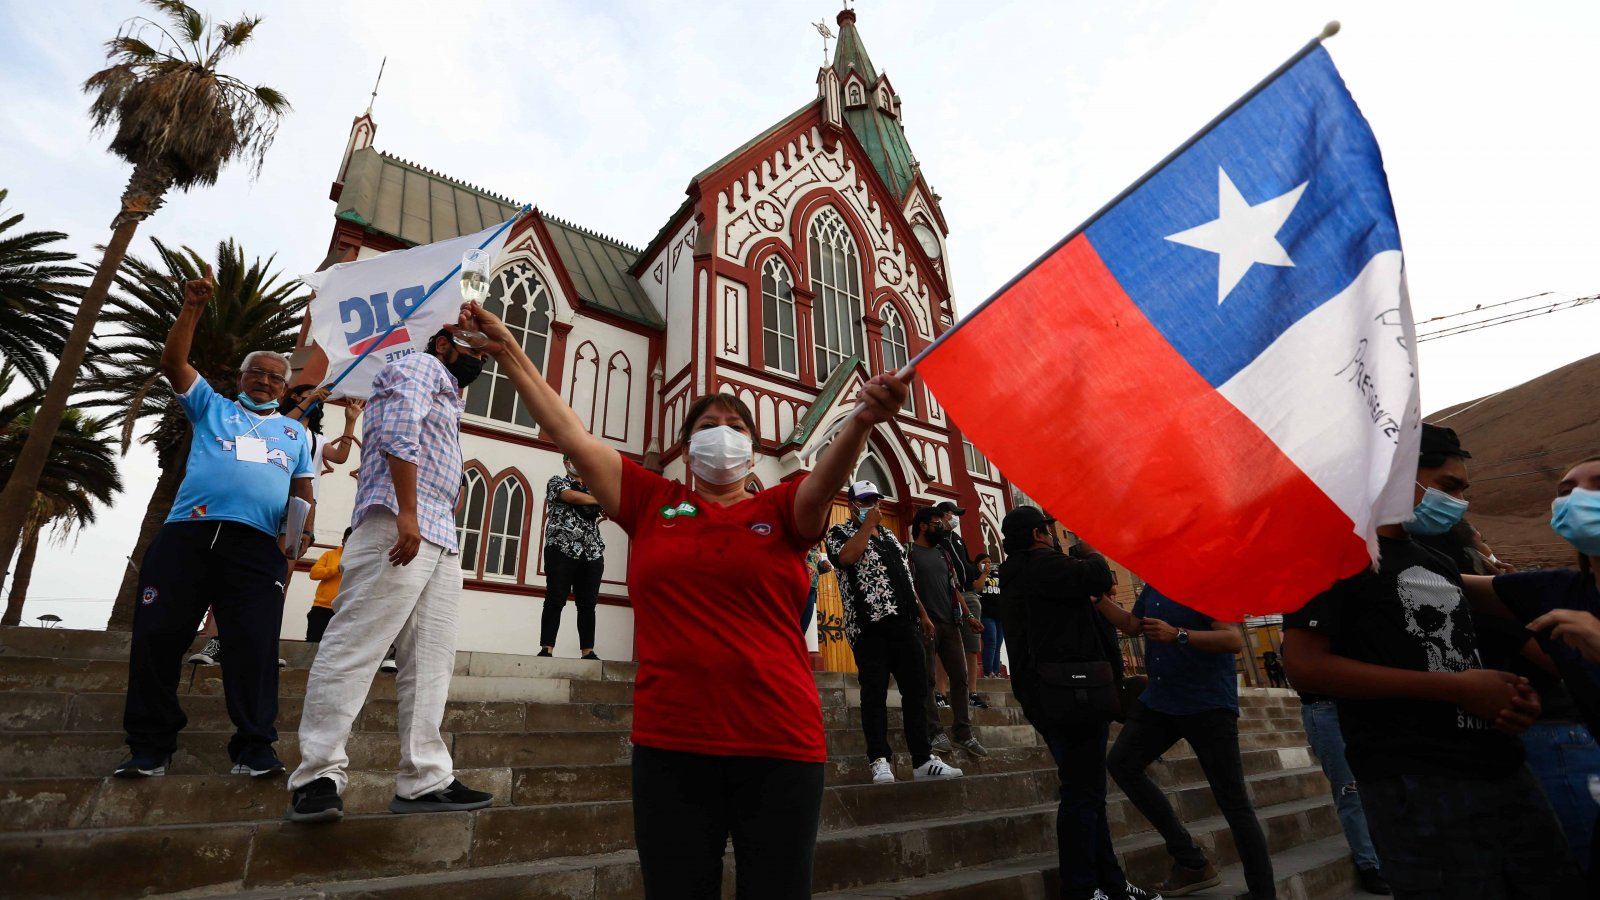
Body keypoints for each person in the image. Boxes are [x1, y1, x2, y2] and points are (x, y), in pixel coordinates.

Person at [460, 299, 907, 898]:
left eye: (736, 426)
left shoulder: (783, 506)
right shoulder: (649, 501)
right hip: (671, 748)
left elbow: (825, 480)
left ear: (753, 449)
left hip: (780, 746)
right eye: (705, 426)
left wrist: (861, 421)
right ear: (686, 445)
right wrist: (511, 351)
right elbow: (569, 432)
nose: (721, 434)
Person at [1282, 424, 1583, 897]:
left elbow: (1468, 650)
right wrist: (1457, 689)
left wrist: (1511, 699)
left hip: (1500, 766)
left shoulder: (1434, 560)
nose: (1459, 501)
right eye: (1448, 487)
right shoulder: (1333, 552)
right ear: (1400, 474)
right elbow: (1305, 666)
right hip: (1416, 779)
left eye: (1463, 489)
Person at [286, 324, 494, 823]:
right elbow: (398, 430)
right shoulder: (421, 366)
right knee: (356, 644)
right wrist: (408, 510)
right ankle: (317, 774)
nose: (478, 359)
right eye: (471, 348)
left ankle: (425, 777)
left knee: (431, 660)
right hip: (401, 522)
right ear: (443, 345)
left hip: (438, 533)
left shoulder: (449, 396)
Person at [115, 271, 315, 780]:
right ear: (241, 378)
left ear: (285, 385)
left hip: (255, 550)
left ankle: (254, 749)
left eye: (275, 375)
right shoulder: (212, 408)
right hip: (189, 537)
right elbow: (172, 362)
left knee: (253, 648)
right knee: (159, 637)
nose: (265, 379)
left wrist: (301, 532)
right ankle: (150, 748)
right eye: (257, 372)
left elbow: (302, 491)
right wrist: (193, 310)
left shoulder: (295, 433)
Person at [999, 506, 1161, 900]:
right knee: (1082, 794)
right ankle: (1081, 887)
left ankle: (1110, 882)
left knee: (1086, 790)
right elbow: (1100, 577)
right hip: (1073, 694)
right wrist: (1087, 548)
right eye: (1052, 531)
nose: (1058, 537)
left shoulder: (1016, 571)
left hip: (1047, 693)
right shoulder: (1045, 565)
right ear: (1040, 534)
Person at [1459, 455, 1600, 880]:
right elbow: (1436, 580)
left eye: (1597, 483)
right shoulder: (1556, 591)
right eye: (1565, 490)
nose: (1577, 496)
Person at [1102, 585, 1277, 899]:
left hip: (1208, 704)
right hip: (1160, 700)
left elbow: (1233, 639)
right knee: (1122, 763)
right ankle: (1190, 860)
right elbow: (1131, 625)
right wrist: (1097, 600)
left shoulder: (1207, 583)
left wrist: (1179, 634)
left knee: (1233, 802)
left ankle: (1263, 893)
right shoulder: (1154, 585)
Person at [826, 480, 959, 784]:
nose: (871, 506)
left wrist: (923, 614)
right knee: (874, 693)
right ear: (851, 505)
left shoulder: (890, 536)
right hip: (869, 624)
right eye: (864, 501)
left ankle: (923, 759)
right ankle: (879, 759)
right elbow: (845, 559)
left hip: (904, 623)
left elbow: (905, 580)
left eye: (875, 501)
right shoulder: (839, 532)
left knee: (916, 690)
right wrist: (866, 526)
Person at [1283, 644, 1391, 895]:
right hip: (1325, 708)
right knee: (1349, 789)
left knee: (1374, 783)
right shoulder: (1301, 620)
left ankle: (1381, 852)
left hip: (1359, 705)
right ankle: (1369, 864)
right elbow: (1300, 669)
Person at [909, 506, 988, 759]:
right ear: (923, 525)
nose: (942, 527)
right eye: (936, 523)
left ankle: (963, 733)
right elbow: (909, 589)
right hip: (926, 625)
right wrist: (922, 616)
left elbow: (954, 588)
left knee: (960, 678)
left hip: (950, 624)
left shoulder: (944, 553)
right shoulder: (910, 554)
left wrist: (969, 616)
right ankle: (934, 732)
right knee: (927, 679)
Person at [539, 454, 606, 660]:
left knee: (588, 602)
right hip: (562, 548)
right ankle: (547, 648)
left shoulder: (593, 488)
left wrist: (601, 499)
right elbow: (570, 497)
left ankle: (588, 651)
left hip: (591, 551)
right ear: (566, 463)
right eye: (573, 459)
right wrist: (599, 499)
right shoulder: (557, 482)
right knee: (555, 597)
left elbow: (609, 507)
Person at [304, 527, 352, 642]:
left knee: (338, 645)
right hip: (321, 608)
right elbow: (314, 574)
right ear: (343, 540)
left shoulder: (362, 559)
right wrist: (337, 568)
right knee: (314, 643)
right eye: (349, 540)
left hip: (345, 609)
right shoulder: (329, 555)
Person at [977, 552, 1005, 678]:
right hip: (986, 613)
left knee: (998, 644)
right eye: (984, 562)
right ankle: (988, 672)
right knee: (991, 641)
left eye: (989, 562)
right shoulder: (978, 575)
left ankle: (996, 671)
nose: (988, 565)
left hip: (999, 613)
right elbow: (977, 589)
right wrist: (984, 573)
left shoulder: (997, 574)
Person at [802, 545, 832, 634]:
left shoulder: (817, 550)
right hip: (799, 586)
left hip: (812, 590)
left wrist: (824, 566)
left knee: (804, 624)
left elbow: (817, 568)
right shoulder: (800, 543)